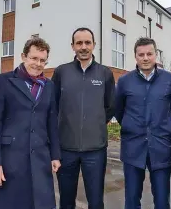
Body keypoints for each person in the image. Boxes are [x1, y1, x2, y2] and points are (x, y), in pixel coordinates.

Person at [0, 37, 61, 209]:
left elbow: (52, 121)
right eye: (34, 58)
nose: (38, 64)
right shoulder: (3, 82)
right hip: (9, 160)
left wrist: (55, 154)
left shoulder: (48, 86)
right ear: (23, 56)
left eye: (42, 60)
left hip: (40, 158)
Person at [114, 37, 171, 209]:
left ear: (155, 55)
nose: (145, 58)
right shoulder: (124, 81)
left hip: (161, 147)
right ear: (135, 56)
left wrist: (163, 127)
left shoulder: (170, 79)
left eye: (149, 54)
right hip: (133, 146)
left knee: (161, 200)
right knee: (131, 198)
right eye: (141, 54)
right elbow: (119, 110)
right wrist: (131, 126)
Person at [52, 27, 115, 209]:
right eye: (79, 43)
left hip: (95, 150)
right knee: (66, 200)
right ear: (72, 46)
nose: (84, 46)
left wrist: (94, 124)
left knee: (95, 202)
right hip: (66, 149)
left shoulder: (105, 74)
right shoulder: (61, 72)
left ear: (94, 45)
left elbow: (110, 106)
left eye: (87, 42)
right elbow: (53, 107)